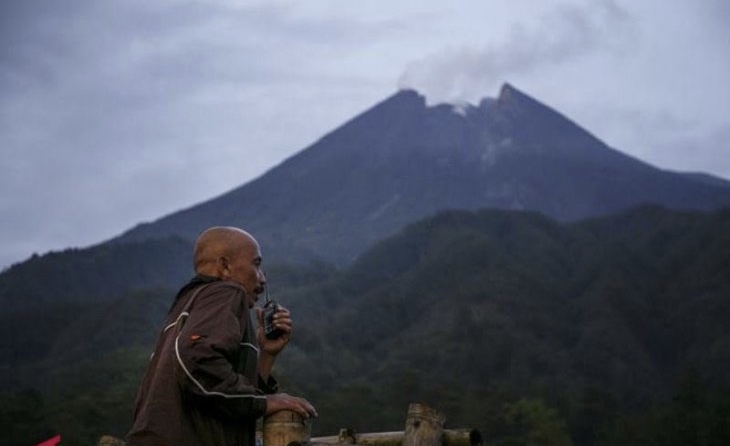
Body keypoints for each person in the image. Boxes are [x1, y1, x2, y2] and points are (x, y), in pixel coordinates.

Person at [126, 226, 317, 446]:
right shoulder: (226, 291)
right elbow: (197, 358)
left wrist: (266, 354)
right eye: (257, 264)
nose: (263, 280)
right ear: (225, 266)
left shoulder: (185, 307)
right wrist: (265, 402)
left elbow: (222, 397)